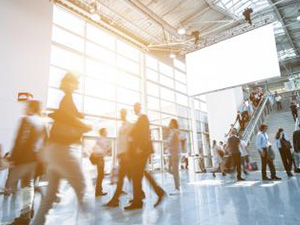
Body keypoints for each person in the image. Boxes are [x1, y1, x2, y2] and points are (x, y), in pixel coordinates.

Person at [33, 73, 92, 225]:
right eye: (75, 82)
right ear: (70, 84)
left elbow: (65, 115)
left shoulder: (66, 100)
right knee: (82, 188)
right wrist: (84, 126)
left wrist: (78, 116)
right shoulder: (67, 99)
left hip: (53, 152)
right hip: (62, 151)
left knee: (50, 197)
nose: (77, 84)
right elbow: (67, 117)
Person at [6, 100, 47, 225]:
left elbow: (20, 141)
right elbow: (45, 142)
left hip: (23, 160)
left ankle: (25, 215)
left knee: (11, 185)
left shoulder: (26, 120)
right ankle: (26, 214)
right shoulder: (42, 122)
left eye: (27, 107)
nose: (25, 109)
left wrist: (13, 159)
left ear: (32, 108)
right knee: (27, 187)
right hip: (34, 162)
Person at [124, 103, 165, 210]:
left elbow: (144, 133)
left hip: (141, 151)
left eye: (136, 107)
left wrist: (140, 148)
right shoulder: (139, 119)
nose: (134, 109)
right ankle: (156, 192)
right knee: (139, 174)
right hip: (139, 151)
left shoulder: (143, 118)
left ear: (139, 107)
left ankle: (139, 201)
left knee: (137, 175)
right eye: (133, 107)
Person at [105, 109, 133, 207]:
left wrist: (127, 153)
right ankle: (140, 193)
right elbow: (120, 141)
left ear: (125, 114)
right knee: (129, 176)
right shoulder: (121, 126)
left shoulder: (129, 125)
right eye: (120, 113)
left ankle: (115, 199)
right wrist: (118, 154)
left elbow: (130, 140)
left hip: (125, 154)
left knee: (121, 177)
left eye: (122, 113)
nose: (121, 115)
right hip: (121, 154)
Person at [91, 128, 111, 197]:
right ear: (102, 132)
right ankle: (98, 191)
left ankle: (99, 191)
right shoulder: (102, 139)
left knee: (101, 175)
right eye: (106, 132)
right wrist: (108, 149)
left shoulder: (100, 139)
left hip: (100, 158)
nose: (107, 133)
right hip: (100, 158)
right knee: (100, 175)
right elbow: (105, 149)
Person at [166, 119, 180, 194]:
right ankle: (177, 180)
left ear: (173, 124)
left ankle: (177, 188)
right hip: (171, 154)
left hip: (174, 154)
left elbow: (176, 144)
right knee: (168, 169)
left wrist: (175, 153)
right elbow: (169, 143)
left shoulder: (175, 132)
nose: (169, 124)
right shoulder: (171, 132)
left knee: (175, 170)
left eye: (170, 123)